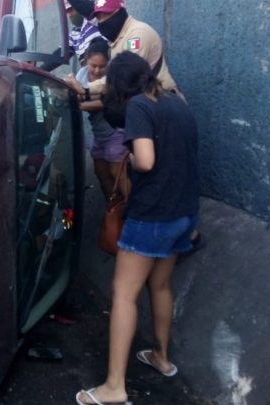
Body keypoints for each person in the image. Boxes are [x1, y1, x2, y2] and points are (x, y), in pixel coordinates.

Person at [75, 51, 200, 405]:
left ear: (119, 86)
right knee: (160, 285)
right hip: (184, 214)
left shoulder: (139, 108)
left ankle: (114, 387)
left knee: (125, 293)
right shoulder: (176, 103)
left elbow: (146, 160)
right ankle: (161, 358)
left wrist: (130, 158)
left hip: (152, 216)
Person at [69, 0, 203, 252]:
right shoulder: (115, 42)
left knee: (164, 175)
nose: (101, 23)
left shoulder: (136, 36)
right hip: (148, 113)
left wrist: (86, 92)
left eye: (106, 17)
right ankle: (180, 239)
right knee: (161, 177)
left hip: (163, 111)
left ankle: (185, 237)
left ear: (120, 12)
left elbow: (122, 81)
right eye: (98, 17)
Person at [68, 39, 130, 201]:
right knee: (102, 175)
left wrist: (80, 105)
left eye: (102, 66)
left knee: (118, 175)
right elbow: (73, 93)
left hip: (116, 132)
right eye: (93, 65)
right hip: (99, 134)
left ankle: (134, 214)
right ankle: (114, 209)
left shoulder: (112, 77)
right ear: (86, 60)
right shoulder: (81, 74)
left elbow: (106, 103)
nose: (96, 70)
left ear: (108, 63)